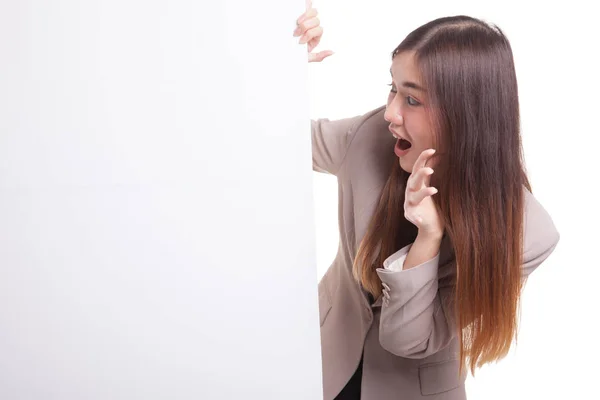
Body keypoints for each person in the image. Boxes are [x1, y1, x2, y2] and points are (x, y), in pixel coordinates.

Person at [294, 6, 560, 400]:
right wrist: (280, 65)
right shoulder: (368, 137)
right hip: (319, 363)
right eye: (393, 89)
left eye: (413, 101)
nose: (390, 114)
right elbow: (274, 143)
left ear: (466, 114)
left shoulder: (527, 235)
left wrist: (427, 238)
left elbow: (408, 340)